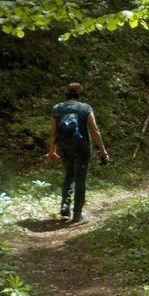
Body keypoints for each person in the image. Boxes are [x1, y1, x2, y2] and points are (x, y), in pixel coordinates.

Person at [47, 82, 110, 222]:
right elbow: (95, 130)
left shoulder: (57, 108)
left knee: (69, 174)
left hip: (63, 146)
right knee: (80, 178)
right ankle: (77, 213)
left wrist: (52, 150)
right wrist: (102, 151)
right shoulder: (85, 108)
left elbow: (53, 132)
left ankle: (65, 204)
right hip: (82, 147)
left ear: (66, 94)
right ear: (79, 94)